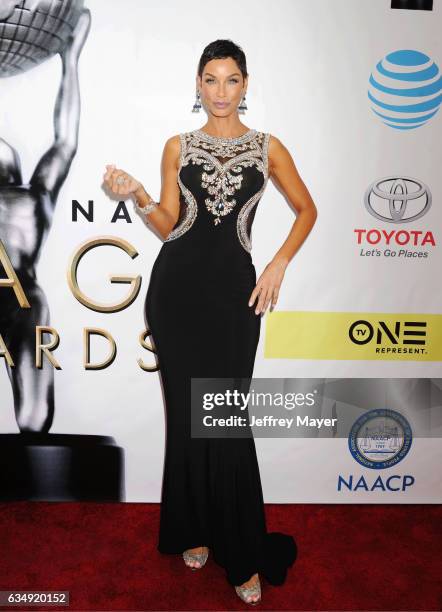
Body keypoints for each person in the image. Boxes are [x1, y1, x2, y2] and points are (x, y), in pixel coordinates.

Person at [103, 39, 317, 606]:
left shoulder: (269, 148)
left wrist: (277, 263)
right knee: (187, 417)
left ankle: (241, 550)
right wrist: (141, 194)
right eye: (210, 79)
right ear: (197, 85)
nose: (221, 91)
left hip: (234, 299)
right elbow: (169, 223)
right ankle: (192, 530)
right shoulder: (178, 145)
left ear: (246, 84)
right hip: (176, 294)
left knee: (221, 419)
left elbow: (308, 210)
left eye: (231, 80)